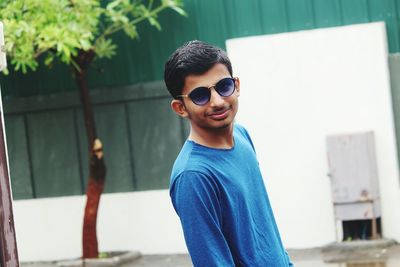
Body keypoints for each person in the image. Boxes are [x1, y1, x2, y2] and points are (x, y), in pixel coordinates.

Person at [164, 40, 293, 267]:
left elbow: (263, 229)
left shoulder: (242, 136)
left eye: (224, 87)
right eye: (200, 95)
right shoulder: (193, 176)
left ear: (237, 85)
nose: (218, 102)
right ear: (180, 108)